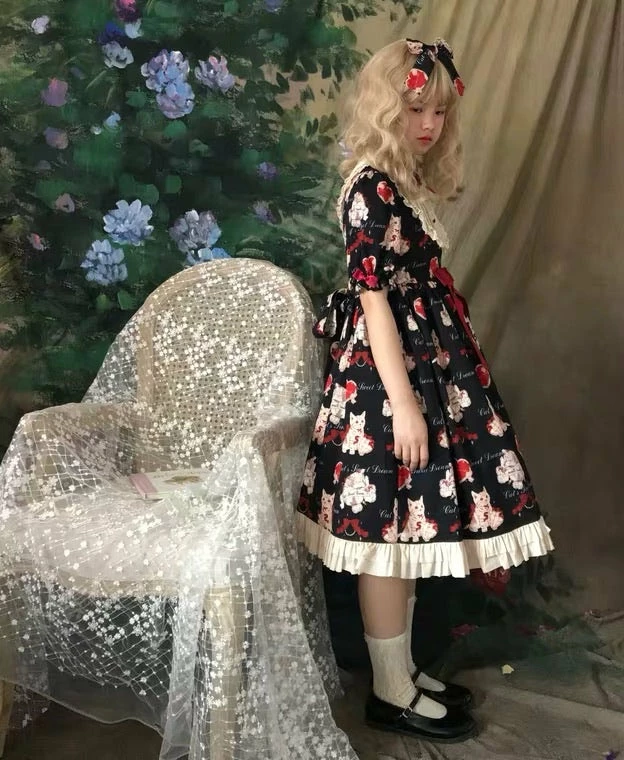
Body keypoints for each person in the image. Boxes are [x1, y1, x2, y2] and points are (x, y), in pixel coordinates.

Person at [296, 38, 554, 742]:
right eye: (415, 110)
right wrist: (405, 406)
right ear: (387, 107)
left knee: (409, 529)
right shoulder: (369, 187)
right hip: (388, 379)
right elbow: (375, 303)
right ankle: (389, 692)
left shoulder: (400, 180)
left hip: (426, 361)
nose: (430, 125)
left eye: (439, 111)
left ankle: (400, 672)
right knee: (388, 534)